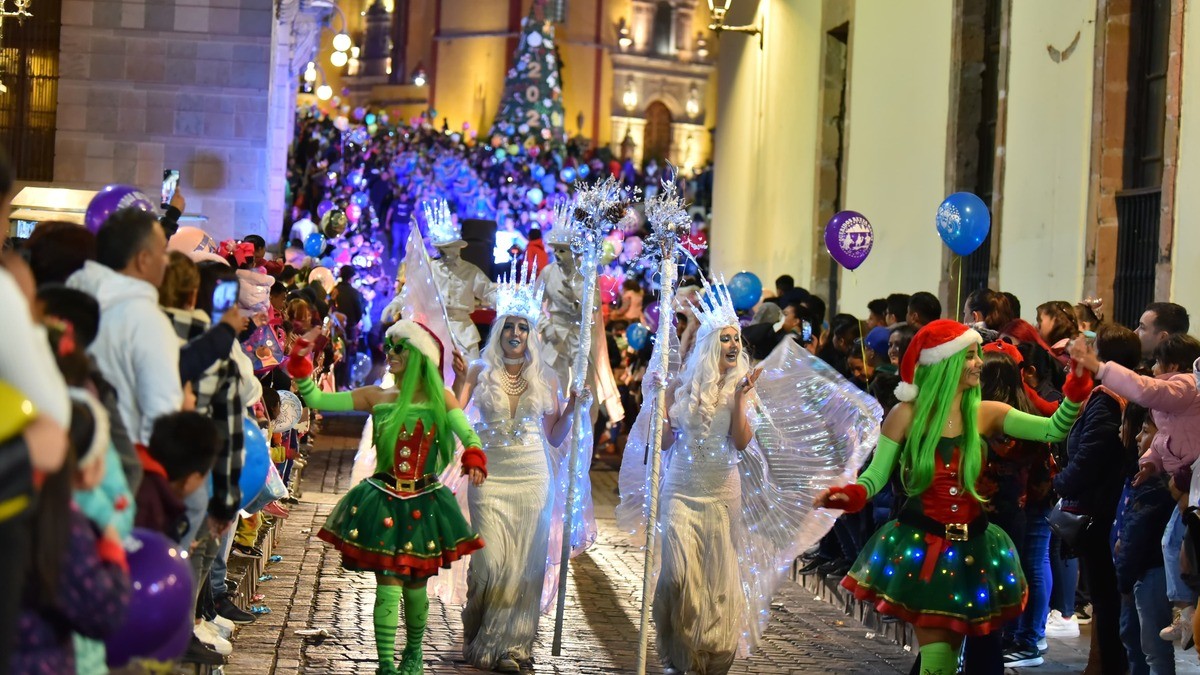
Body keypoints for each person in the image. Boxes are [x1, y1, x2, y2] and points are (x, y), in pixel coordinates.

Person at [815, 319, 1092, 675]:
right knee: (937, 659)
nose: (979, 363)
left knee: (950, 657)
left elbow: (1053, 428)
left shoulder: (986, 413)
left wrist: (1078, 385)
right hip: (921, 551)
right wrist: (852, 495)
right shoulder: (905, 415)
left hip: (974, 551)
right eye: (970, 356)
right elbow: (876, 475)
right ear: (943, 364)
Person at [634, 279, 879, 675]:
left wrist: (739, 401)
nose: (733, 345)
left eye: (736, 338)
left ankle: (708, 647)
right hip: (680, 486)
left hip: (720, 489)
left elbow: (743, 442)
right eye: (725, 339)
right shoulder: (681, 386)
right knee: (677, 574)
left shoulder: (743, 388)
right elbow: (662, 444)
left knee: (716, 572)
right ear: (711, 344)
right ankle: (679, 644)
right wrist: (657, 400)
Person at [289, 319, 487, 675]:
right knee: (389, 585)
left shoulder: (441, 398)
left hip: (425, 503)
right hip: (383, 499)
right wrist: (301, 361)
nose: (390, 353)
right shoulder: (375, 396)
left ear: (420, 357)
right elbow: (316, 398)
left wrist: (474, 457)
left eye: (400, 348)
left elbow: (469, 436)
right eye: (390, 346)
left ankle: (413, 653)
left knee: (415, 589)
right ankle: (385, 665)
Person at [448, 268, 581, 672]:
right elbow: (453, 411)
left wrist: (573, 408)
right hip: (488, 477)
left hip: (532, 477)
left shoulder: (547, 378)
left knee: (524, 564)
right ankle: (480, 629)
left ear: (531, 334)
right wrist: (456, 381)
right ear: (500, 329)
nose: (516, 333)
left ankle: (511, 646)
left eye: (524, 326)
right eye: (510, 325)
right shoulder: (477, 369)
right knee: (488, 562)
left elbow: (555, 437)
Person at [1071, 330, 1200, 651]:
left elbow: (1147, 391)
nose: (1152, 369)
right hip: (1184, 484)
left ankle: (1184, 610)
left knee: (1173, 546)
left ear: (1171, 364)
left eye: (1156, 362)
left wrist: (1101, 368)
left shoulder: (1185, 386)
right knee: (1172, 545)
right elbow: (1166, 435)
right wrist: (1152, 461)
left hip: (1191, 489)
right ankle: (1185, 612)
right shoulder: (1183, 395)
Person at [1054, 324, 1144, 673]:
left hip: (1099, 508)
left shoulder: (1106, 397)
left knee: (1105, 596)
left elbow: (1093, 453)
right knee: (1109, 596)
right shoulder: (1124, 391)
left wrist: (1060, 481)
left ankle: (1109, 665)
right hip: (1108, 504)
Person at [67, 207, 183, 448]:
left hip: (72, 456)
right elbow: (163, 417)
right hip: (125, 466)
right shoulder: (147, 321)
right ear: (143, 260)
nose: (167, 260)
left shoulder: (70, 299)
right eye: (163, 252)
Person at [425, 199, 494, 359]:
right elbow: (413, 289)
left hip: (463, 330)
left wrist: (507, 303)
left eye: (452, 246)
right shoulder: (431, 269)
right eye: (444, 248)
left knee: (470, 371)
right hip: (435, 327)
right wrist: (397, 303)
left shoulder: (470, 271)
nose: (450, 251)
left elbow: (489, 292)